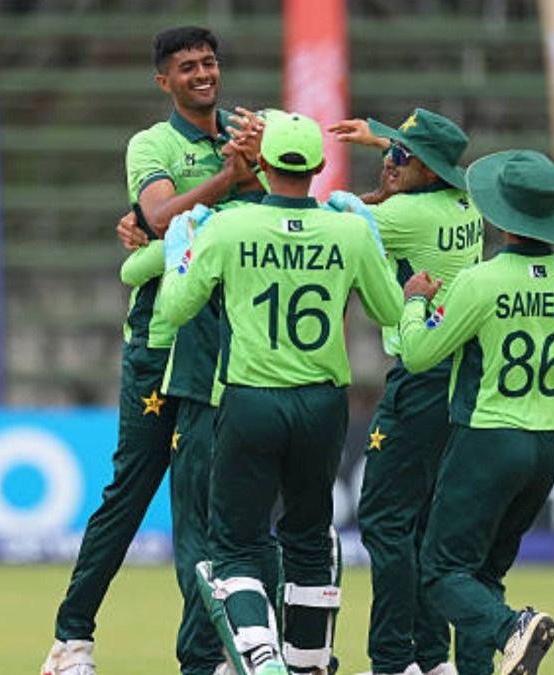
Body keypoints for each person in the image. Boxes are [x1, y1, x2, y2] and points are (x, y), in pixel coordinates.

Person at [42, 26, 263, 675]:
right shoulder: (154, 143)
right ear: (163, 80)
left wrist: (253, 166)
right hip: (160, 346)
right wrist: (230, 178)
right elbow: (162, 217)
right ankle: (70, 642)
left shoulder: (250, 133)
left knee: (209, 507)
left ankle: (211, 654)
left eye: (210, 61)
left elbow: (288, 204)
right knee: (130, 495)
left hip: (227, 346)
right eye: (188, 66)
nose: (203, 73)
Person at [158, 110, 403, 675]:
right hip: (321, 404)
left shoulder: (228, 228)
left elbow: (175, 309)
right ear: (318, 167)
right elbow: (391, 313)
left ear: (263, 165)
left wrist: (181, 251)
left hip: (248, 400)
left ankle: (261, 655)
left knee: (237, 544)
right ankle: (308, 663)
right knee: (310, 539)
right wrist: (367, 234)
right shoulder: (346, 231)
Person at [396, 150, 554, 675]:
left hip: (486, 440)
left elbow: (419, 355)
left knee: (440, 571)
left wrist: (415, 301)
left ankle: (513, 627)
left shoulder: (481, 280)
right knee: (482, 575)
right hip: (544, 449)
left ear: (499, 214)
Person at [327, 108, 482, 675]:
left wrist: (359, 187)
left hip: (421, 376)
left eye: (398, 155)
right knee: (417, 523)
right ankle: (432, 657)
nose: (390, 160)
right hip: (458, 372)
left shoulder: (409, 215)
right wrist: (388, 146)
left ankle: (393, 661)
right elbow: (406, 186)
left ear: (423, 168)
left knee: (386, 521)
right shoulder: (464, 203)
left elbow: (330, 216)